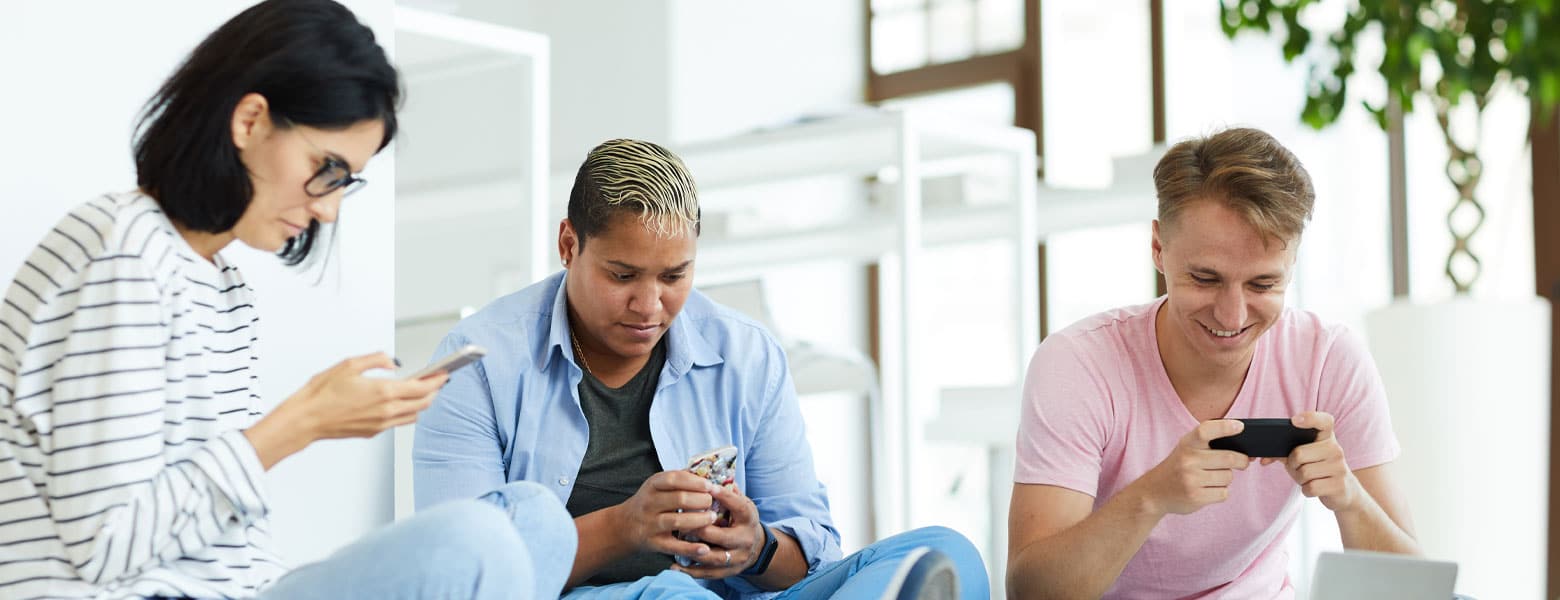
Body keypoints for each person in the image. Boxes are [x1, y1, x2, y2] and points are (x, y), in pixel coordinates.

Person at [0, 1, 574, 598]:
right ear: (249, 121)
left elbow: (224, 541)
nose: (328, 209)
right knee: (474, 542)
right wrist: (303, 421)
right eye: (325, 169)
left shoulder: (225, 289)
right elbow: (107, 548)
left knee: (537, 520)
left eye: (345, 182)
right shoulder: (121, 249)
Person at [413, 138, 987, 600]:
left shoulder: (748, 357)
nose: (649, 305)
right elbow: (462, 575)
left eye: (673, 276)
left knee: (944, 551)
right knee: (670, 594)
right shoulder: (478, 364)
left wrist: (756, 549)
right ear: (569, 245)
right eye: (621, 276)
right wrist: (624, 527)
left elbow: (811, 556)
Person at [1005, 128, 1420, 599]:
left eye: (1263, 285)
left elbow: (1415, 589)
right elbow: (1030, 592)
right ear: (1159, 248)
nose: (1232, 316)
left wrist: (1348, 498)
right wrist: (1152, 496)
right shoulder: (1078, 365)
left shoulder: (1329, 359)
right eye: (1205, 278)